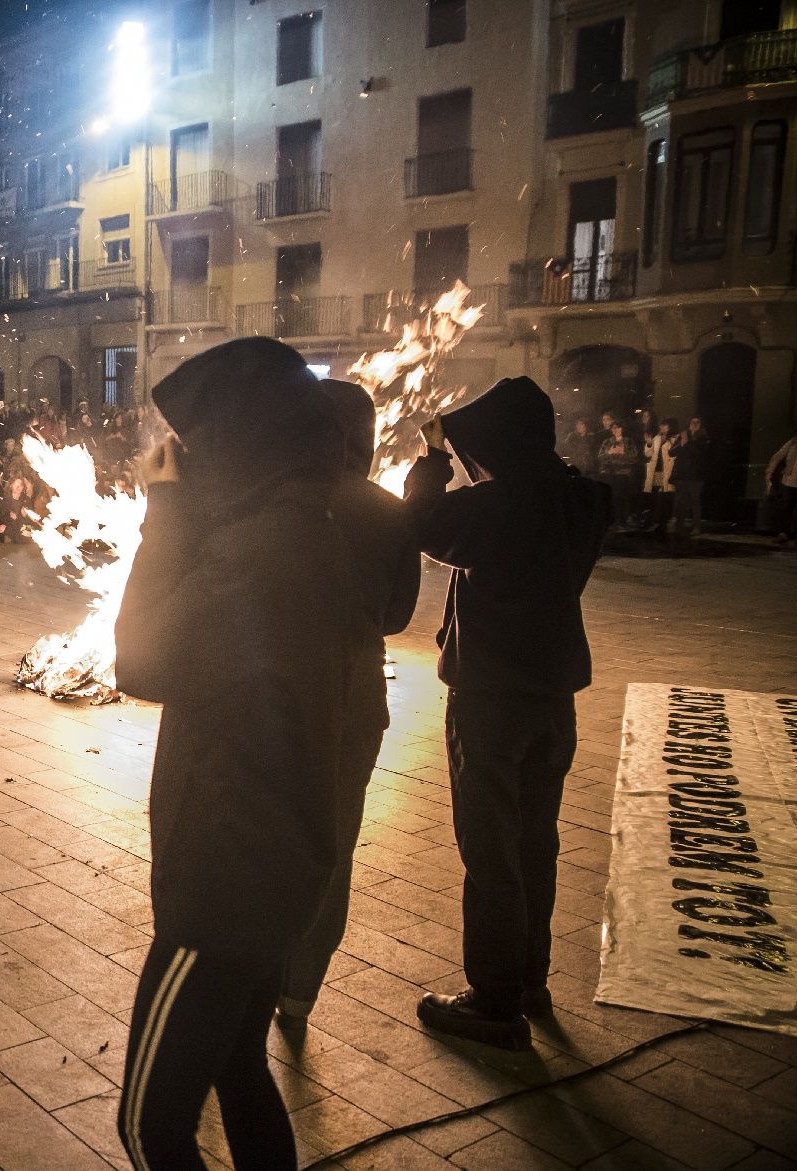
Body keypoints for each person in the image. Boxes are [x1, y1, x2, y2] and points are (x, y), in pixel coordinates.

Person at [112, 338, 378, 1168]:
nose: (185, 457)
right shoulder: (307, 524)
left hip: (223, 882)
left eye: (200, 441)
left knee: (150, 1124)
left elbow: (140, 659)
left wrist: (166, 509)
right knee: (237, 1065)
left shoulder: (257, 552)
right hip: (279, 865)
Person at [402, 376, 612, 1049]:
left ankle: (494, 1002)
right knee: (535, 840)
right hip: (553, 697)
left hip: (490, 700)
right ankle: (528, 978)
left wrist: (433, 460)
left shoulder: (495, 508)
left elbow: (420, 525)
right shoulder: (579, 499)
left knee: (491, 850)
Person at [277, 381, 422, 1023]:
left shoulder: (273, 504)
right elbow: (396, 617)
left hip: (277, 699)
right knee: (333, 847)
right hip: (356, 700)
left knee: (270, 838)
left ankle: (256, 977)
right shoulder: (392, 513)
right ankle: (299, 993)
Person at [668, 417, 709, 544]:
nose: (695, 424)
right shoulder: (683, 436)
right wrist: (681, 443)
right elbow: (671, 452)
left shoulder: (703, 437)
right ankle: (678, 526)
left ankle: (696, 527)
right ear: (689, 424)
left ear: (700, 425)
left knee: (695, 501)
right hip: (681, 475)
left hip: (695, 476)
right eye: (692, 422)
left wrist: (688, 443)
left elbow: (700, 454)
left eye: (697, 422)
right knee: (680, 501)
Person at [766, 426, 797, 544]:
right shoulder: (793, 443)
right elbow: (777, 456)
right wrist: (769, 472)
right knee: (786, 508)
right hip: (789, 480)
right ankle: (784, 533)